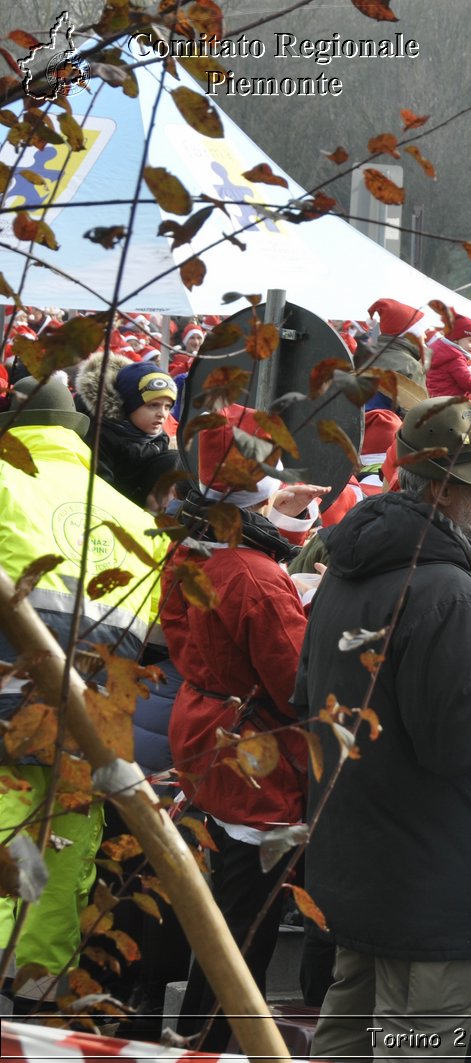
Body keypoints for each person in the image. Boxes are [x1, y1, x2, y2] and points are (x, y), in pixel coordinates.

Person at [296, 396, 471, 1060]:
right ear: (446, 489)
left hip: (358, 855)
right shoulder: (445, 593)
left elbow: (305, 692)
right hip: (427, 875)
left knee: (349, 1022)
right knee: (418, 1037)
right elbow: (468, 737)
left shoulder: (350, 565)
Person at [163, 411, 328, 1051]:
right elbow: (296, 687)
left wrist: (279, 518)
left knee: (227, 910)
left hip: (210, 736)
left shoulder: (194, 546)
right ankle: (206, 1041)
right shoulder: (255, 580)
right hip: (256, 764)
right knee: (246, 926)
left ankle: (197, 1032)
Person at [0, 374, 161, 1009]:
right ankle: (33, 1015)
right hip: (90, 730)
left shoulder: (6, 483)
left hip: (7, 717)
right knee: (58, 873)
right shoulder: (136, 520)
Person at [76, 353, 180, 508]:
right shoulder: (100, 435)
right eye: (153, 405)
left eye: (167, 407)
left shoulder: (159, 437)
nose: (162, 414)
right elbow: (101, 490)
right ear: (129, 405)